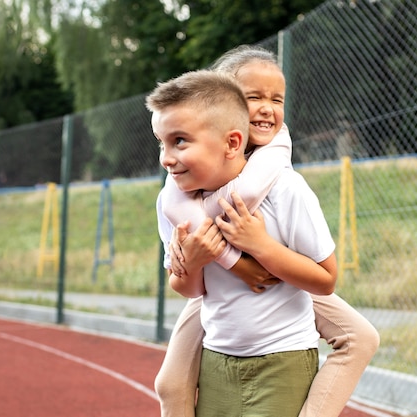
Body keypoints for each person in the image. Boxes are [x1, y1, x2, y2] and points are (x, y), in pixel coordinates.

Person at [151, 46, 379, 417]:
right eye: (252, 96)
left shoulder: (275, 164)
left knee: (361, 336)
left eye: (276, 99)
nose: (265, 108)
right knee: (170, 384)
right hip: (219, 296)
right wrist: (222, 262)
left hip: (278, 294)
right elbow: (184, 269)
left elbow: (323, 277)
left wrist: (255, 247)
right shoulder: (183, 180)